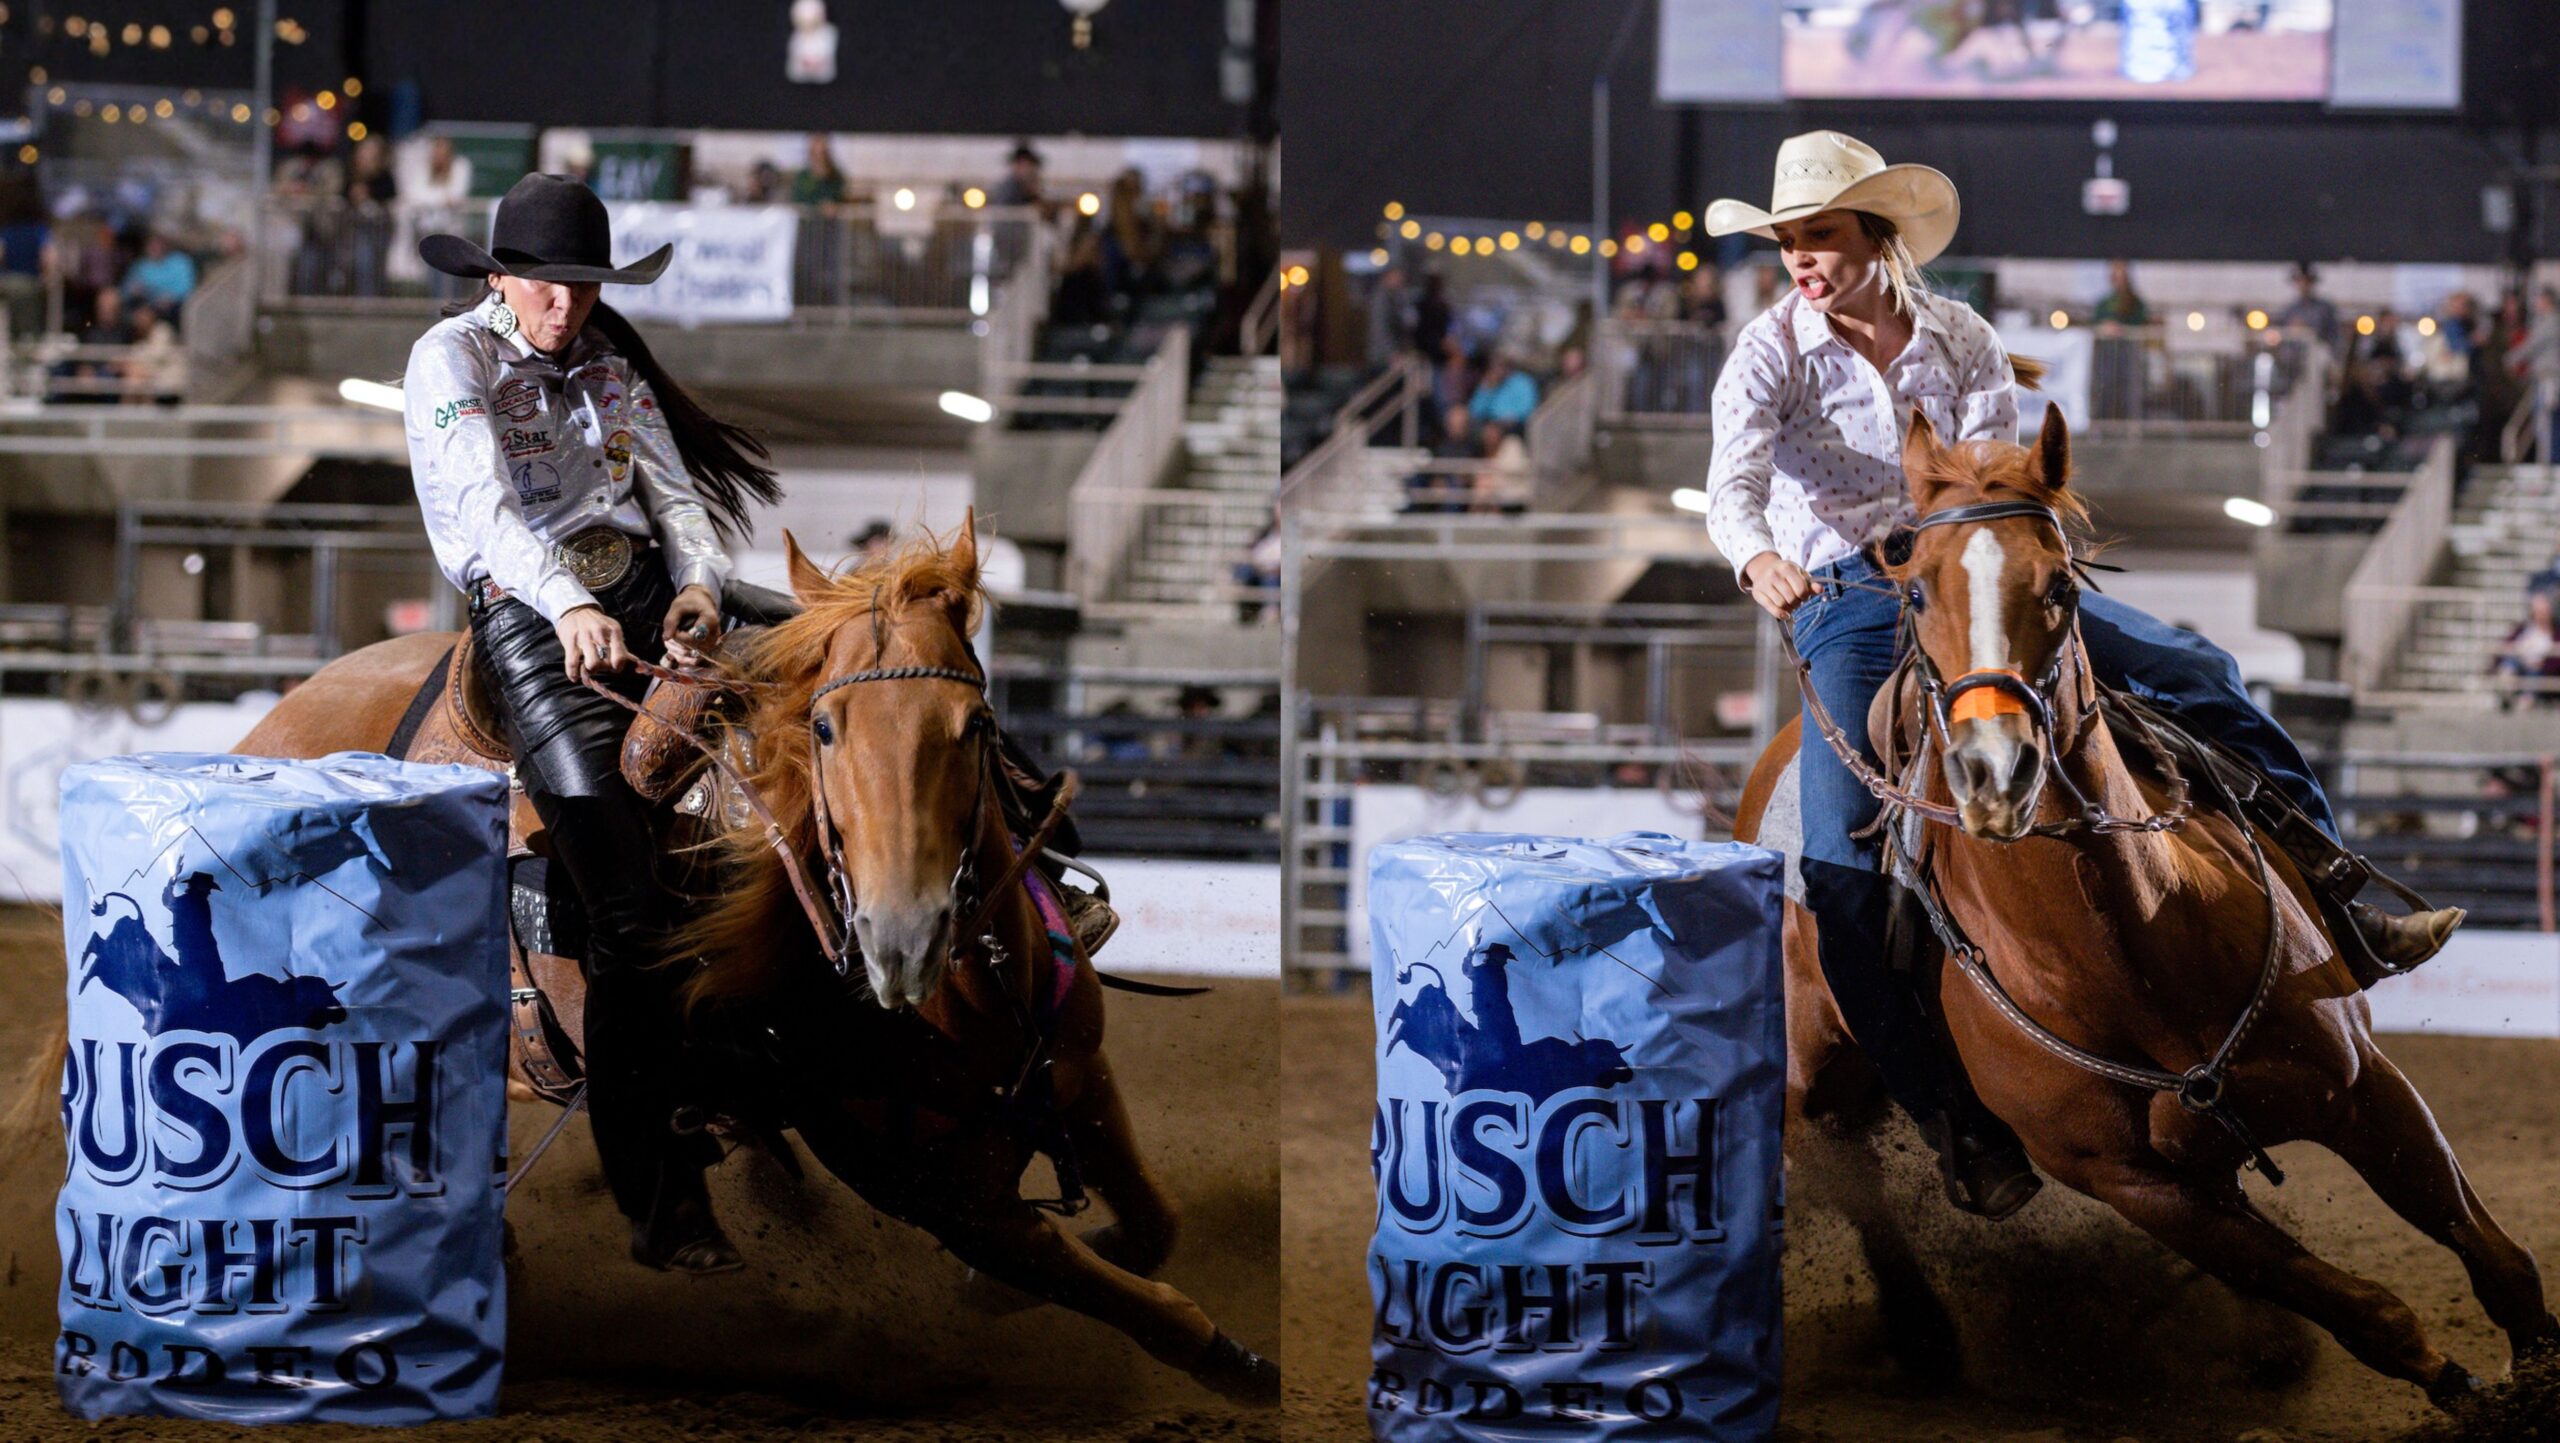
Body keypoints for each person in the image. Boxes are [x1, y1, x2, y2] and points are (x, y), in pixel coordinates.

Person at [1700, 130, 2463, 1222]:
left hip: (1975, 573)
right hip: (1851, 602)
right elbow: (1731, 482)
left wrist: (1982, 557)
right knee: (1834, 873)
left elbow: (1998, 472)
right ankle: (1956, 1123)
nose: (1800, 259)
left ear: (1873, 236)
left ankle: (2340, 902)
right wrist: (1757, 554)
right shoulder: (1767, 352)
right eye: (1787, 242)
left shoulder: (1957, 335)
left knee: (2200, 669)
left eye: (1817, 236)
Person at [409, 174, 786, 1275]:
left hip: (637, 594)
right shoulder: (452, 363)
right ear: (498, 278)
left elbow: (675, 501)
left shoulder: (608, 370)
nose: (566, 305)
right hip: (526, 616)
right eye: (547, 284)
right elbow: (479, 507)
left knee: (857, 656)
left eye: (582, 286)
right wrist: (568, 604)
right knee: (621, 898)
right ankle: (658, 1199)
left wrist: (704, 589)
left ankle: (1026, 877)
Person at [2490, 589, 2560, 709]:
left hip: (2540, 668)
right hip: (2520, 661)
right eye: (2538, 611)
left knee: (2534, 671)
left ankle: (2527, 700)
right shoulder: (2523, 629)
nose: (2540, 614)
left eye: (2543, 611)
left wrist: (2542, 663)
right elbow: (2506, 645)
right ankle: (2506, 687)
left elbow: (2556, 658)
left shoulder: (2555, 634)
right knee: (2511, 663)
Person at [121, 233, 198, 313]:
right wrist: (131, 290)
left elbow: (188, 288)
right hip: (146, 305)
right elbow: (124, 290)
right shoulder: (140, 266)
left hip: (175, 307)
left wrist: (172, 297)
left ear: (165, 245)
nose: (155, 247)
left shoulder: (181, 262)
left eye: (158, 244)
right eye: (151, 244)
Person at [2276, 262, 2339, 352]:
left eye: (2307, 281)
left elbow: (2333, 336)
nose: (2303, 285)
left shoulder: (2324, 309)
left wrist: (2307, 329)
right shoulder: (2290, 309)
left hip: (2317, 354)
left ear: (2312, 283)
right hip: (2292, 357)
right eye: (2300, 281)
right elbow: (2281, 335)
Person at [2092, 258, 2148, 328]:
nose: (2118, 275)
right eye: (2115, 270)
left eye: (2121, 269)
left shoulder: (2136, 303)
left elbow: (2140, 325)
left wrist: (2121, 328)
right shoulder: (2103, 303)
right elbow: (2095, 324)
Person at [791, 133, 845, 206]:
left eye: (821, 142)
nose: (819, 147)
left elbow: (839, 196)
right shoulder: (803, 176)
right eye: (815, 141)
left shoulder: (835, 175)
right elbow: (798, 199)